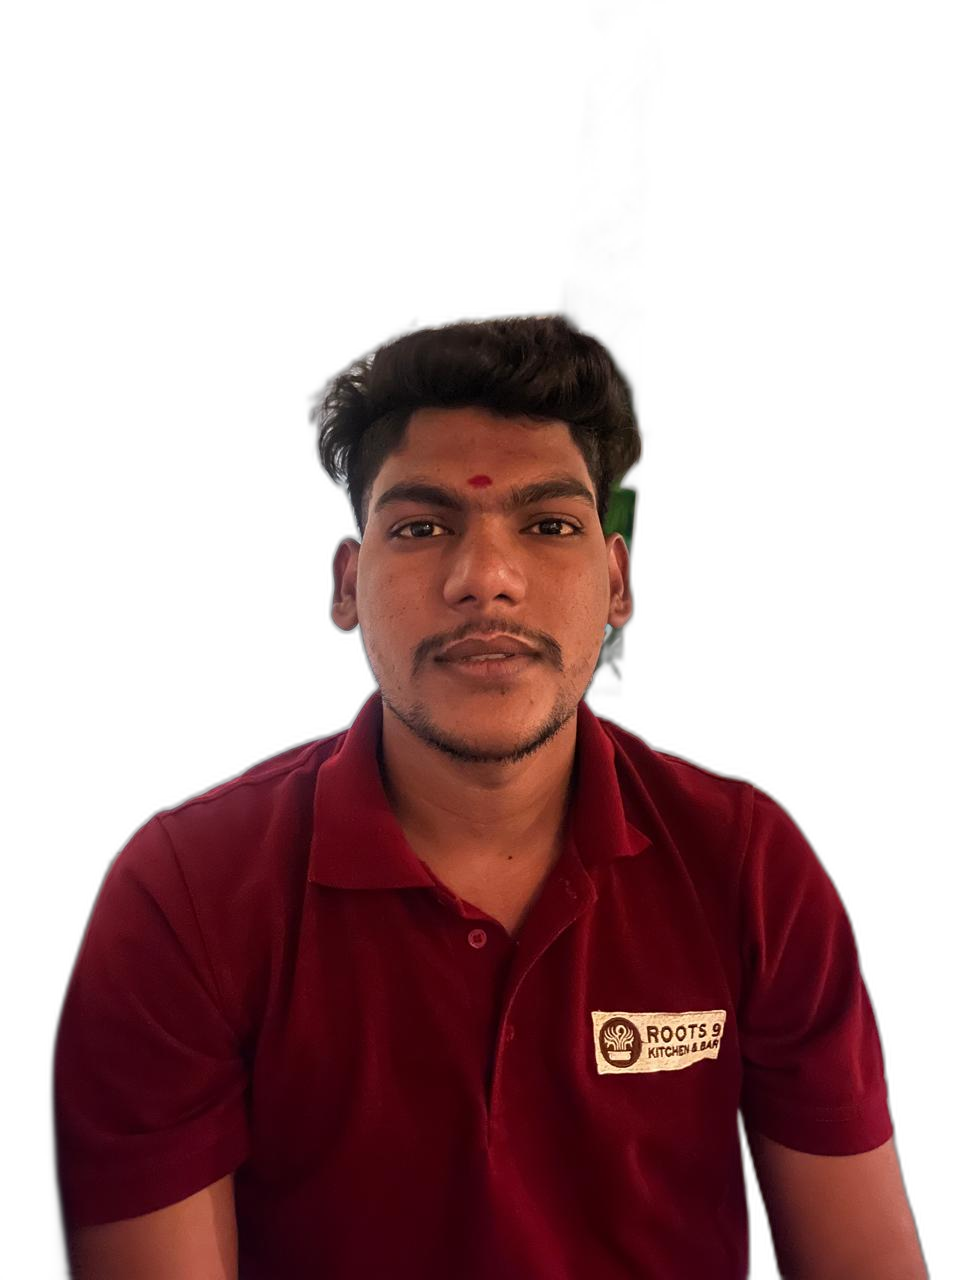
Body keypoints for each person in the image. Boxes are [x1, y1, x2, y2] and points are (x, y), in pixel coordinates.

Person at [53, 313, 927, 1279]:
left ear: (617, 581)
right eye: (421, 527)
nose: (486, 580)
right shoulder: (185, 890)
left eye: (549, 525)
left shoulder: (747, 862)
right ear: (347, 587)